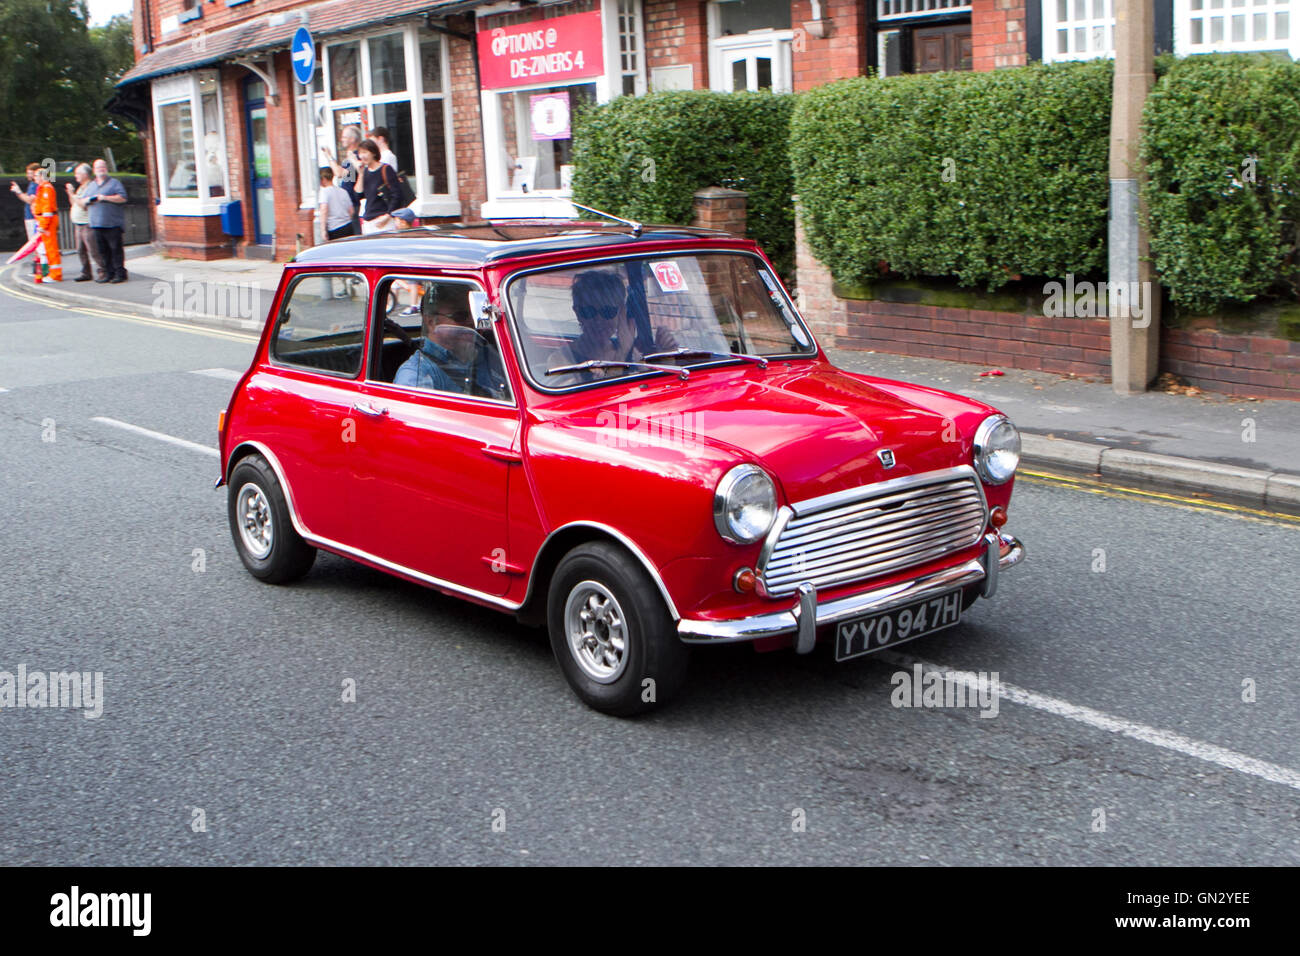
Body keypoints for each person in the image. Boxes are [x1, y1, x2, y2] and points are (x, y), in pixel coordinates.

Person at [549, 270, 677, 379]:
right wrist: (621, 355)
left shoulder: (630, 352)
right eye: (589, 311)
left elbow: (651, 387)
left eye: (607, 311)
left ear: (621, 313)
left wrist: (666, 355)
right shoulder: (561, 359)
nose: (598, 320)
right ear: (577, 313)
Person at [393, 286, 507, 398]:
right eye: (460, 316)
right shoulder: (417, 374)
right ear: (431, 322)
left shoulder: (485, 353)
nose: (471, 322)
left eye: (474, 315)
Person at [83, 159, 129, 283]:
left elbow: (123, 198)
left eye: (103, 167)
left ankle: (120, 274)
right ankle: (109, 273)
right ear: (94, 170)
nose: (101, 169)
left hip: (112, 223)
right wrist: (88, 200)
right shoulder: (91, 185)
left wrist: (105, 198)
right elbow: (83, 200)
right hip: (97, 223)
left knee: (115, 249)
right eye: (98, 167)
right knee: (103, 251)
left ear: (106, 168)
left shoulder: (114, 183)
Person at [66, 163, 107, 282]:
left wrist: (72, 194)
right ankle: (86, 272)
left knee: (93, 250)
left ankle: (103, 272)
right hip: (78, 224)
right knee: (80, 250)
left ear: (85, 174)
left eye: (78, 173)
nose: (75, 176)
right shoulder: (81, 187)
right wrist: (71, 194)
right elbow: (74, 203)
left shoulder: (91, 187)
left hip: (87, 224)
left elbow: (83, 205)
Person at [355, 139, 398, 234]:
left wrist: (388, 216)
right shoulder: (364, 172)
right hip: (368, 220)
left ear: (373, 153)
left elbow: (397, 195)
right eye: (360, 153)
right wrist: (361, 174)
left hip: (383, 220)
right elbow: (358, 195)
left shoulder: (386, 169)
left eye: (365, 152)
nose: (362, 156)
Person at [30, 166, 61, 282]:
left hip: (48, 223)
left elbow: (47, 210)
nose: (35, 178)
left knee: (51, 248)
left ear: (42, 176)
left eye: (36, 176)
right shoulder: (43, 188)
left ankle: (55, 274)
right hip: (45, 221)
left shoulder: (46, 189)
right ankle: (52, 273)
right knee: (48, 249)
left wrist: (43, 226)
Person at [316, 167, 355, 240]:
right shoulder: (343, 191)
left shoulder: (324, 192)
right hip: (348, 227)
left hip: (335, 229)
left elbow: (324, 210)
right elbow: (351, 211)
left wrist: (323, 230)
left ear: (323, 179)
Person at [9, 163, 40, 247]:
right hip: (29, 215)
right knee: (32, 239)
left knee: (34, 239)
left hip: (33, 216)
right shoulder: (32, 184)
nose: (28, 175)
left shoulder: (36, 185)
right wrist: (19, 193)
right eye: (28, 173)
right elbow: (27, 197)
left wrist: (18, 192)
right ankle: (37, 256)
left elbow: (30, 200)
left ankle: (39, 257)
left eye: (30, 173)